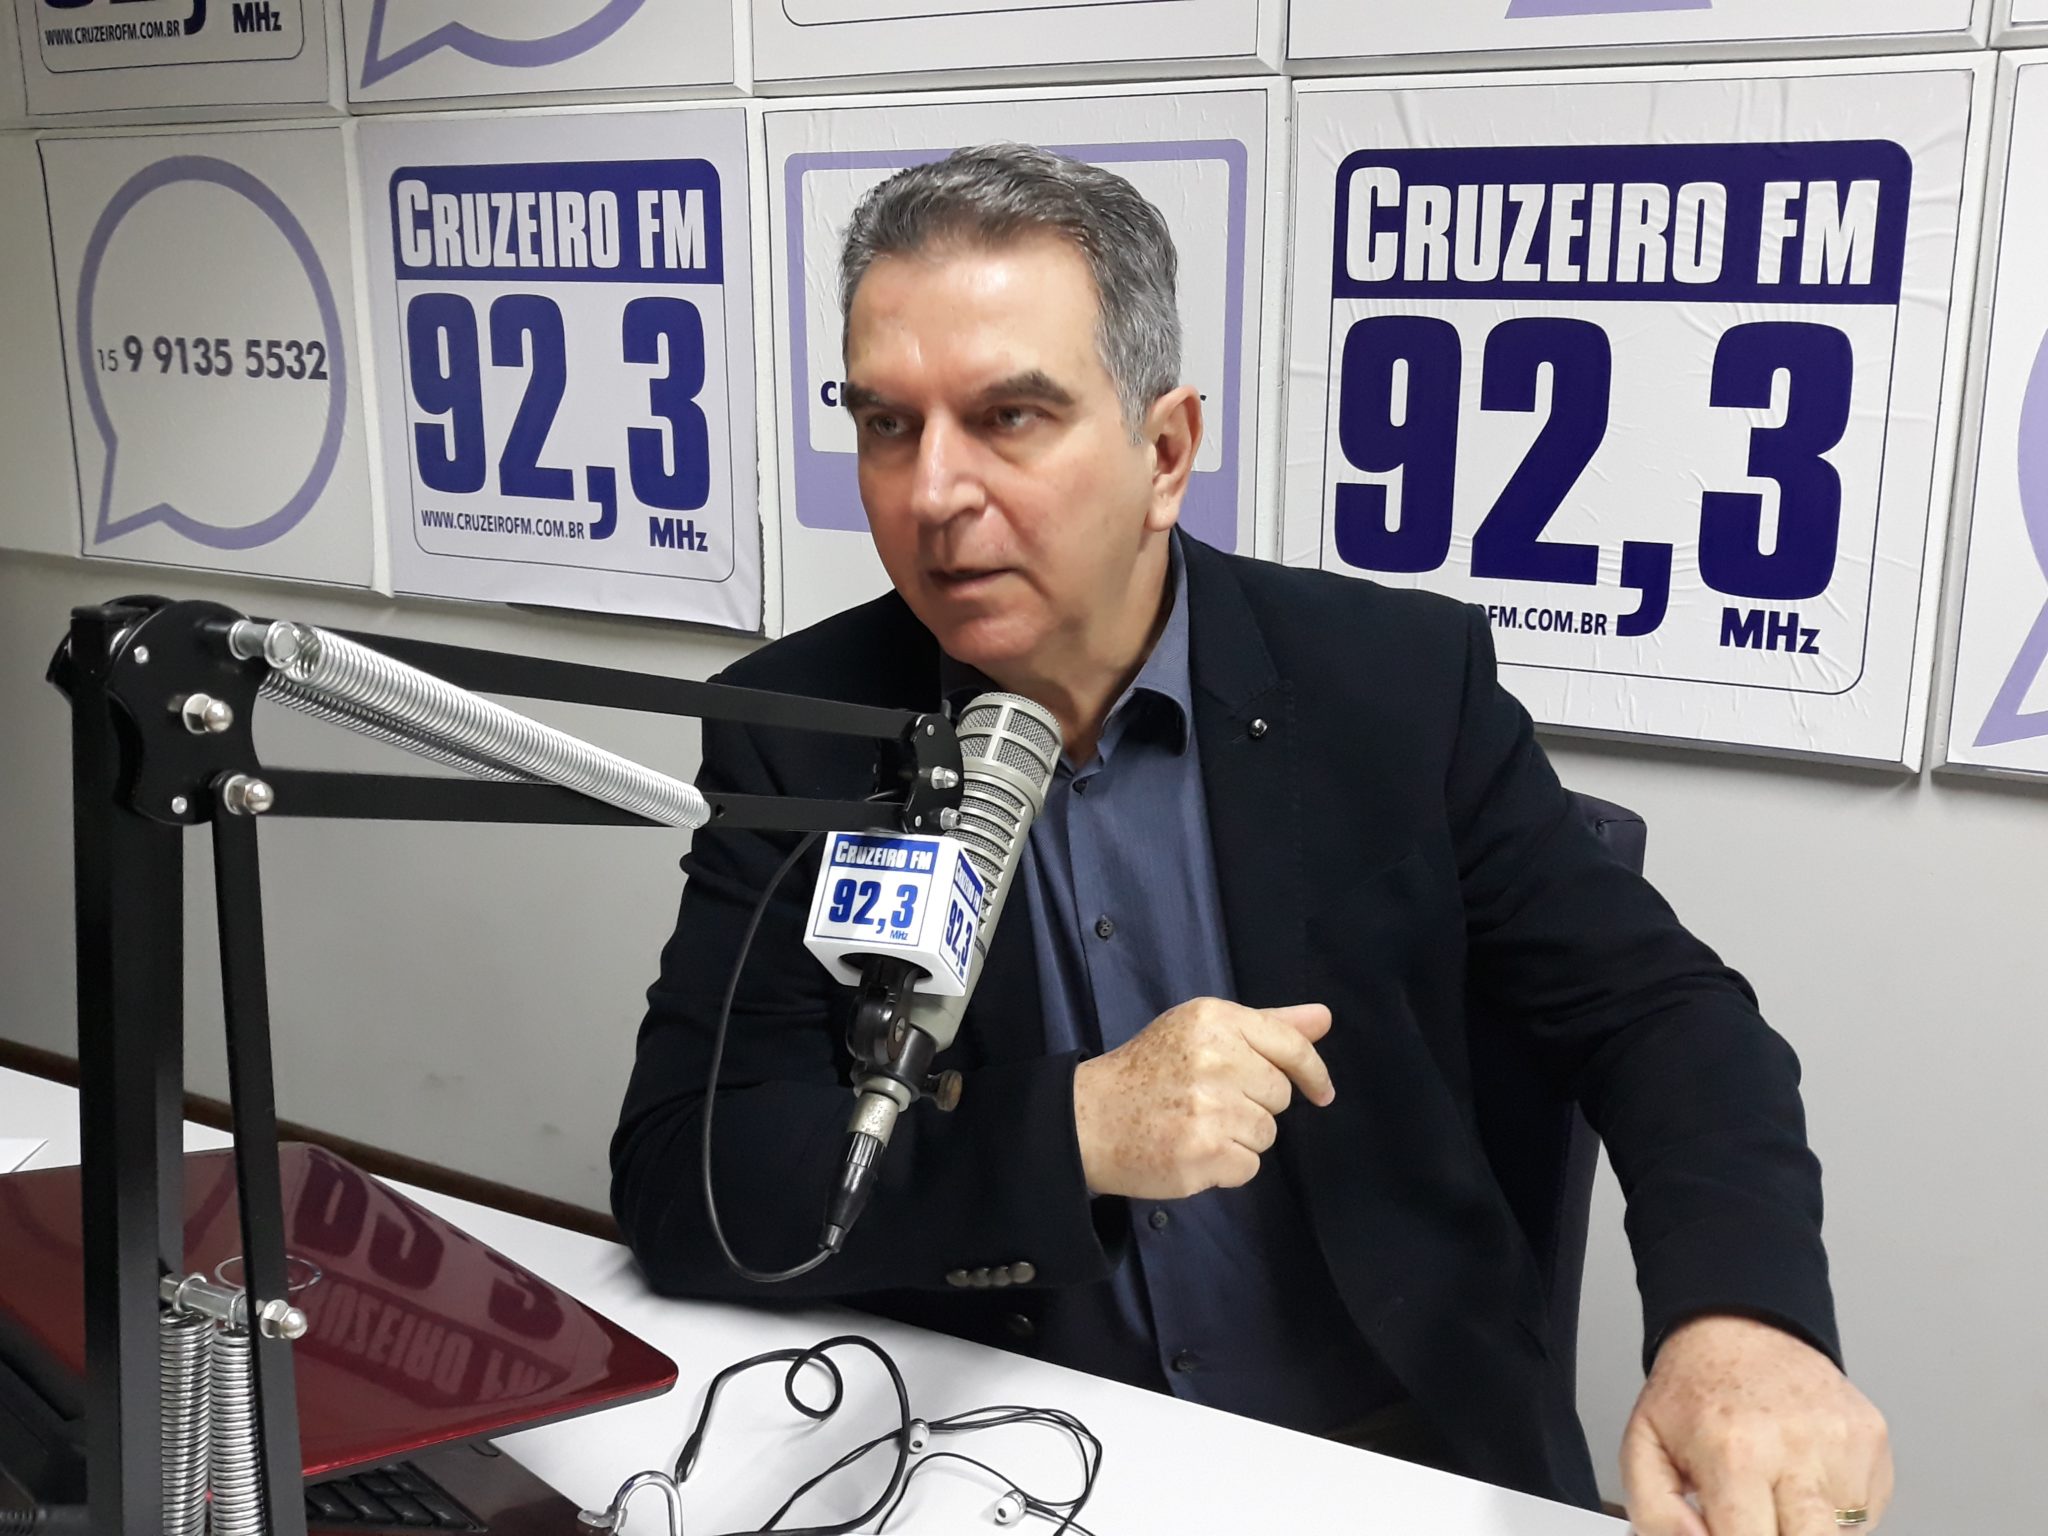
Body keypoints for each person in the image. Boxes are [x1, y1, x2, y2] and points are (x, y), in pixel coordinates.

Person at [611, 144, 1891, 1532]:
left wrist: (1744, 1324)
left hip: (1388, 1456)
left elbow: (1663, 1016)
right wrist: (1075, 1129)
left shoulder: (1393, 683)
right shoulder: (802, 729)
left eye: (1009, 417)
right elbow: (687, 1176)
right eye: (885, 424)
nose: (932, 493)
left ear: (1165, 452)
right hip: (1006, 1456)